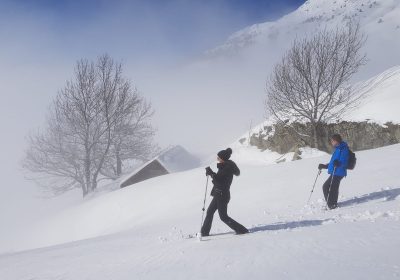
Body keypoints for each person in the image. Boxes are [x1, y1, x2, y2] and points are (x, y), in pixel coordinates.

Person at [201, 148, 249, 236]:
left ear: (223, 158)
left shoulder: (228, 168)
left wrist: (211, 173)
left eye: (218, 157)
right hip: (218, 194)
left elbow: (218, 181)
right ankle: (204, 233)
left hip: (222, 195)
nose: (217, 159)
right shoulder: (224, 167)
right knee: (210, 212)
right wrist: (211, 173)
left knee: (223, 217)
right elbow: (219, 178)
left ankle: (242, 230)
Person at [318, 134, 350, 209]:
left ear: (336, 141)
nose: (331, 142)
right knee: (332, 187)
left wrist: (339, 163)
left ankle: (331, 205)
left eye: (332, 141)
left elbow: (345, 161)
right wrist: (325, 166)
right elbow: (334, 162)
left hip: (339, 172)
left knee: (326, 186)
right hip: (335, 171)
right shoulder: (337, 149)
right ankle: (333, 204)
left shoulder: (344, 149)